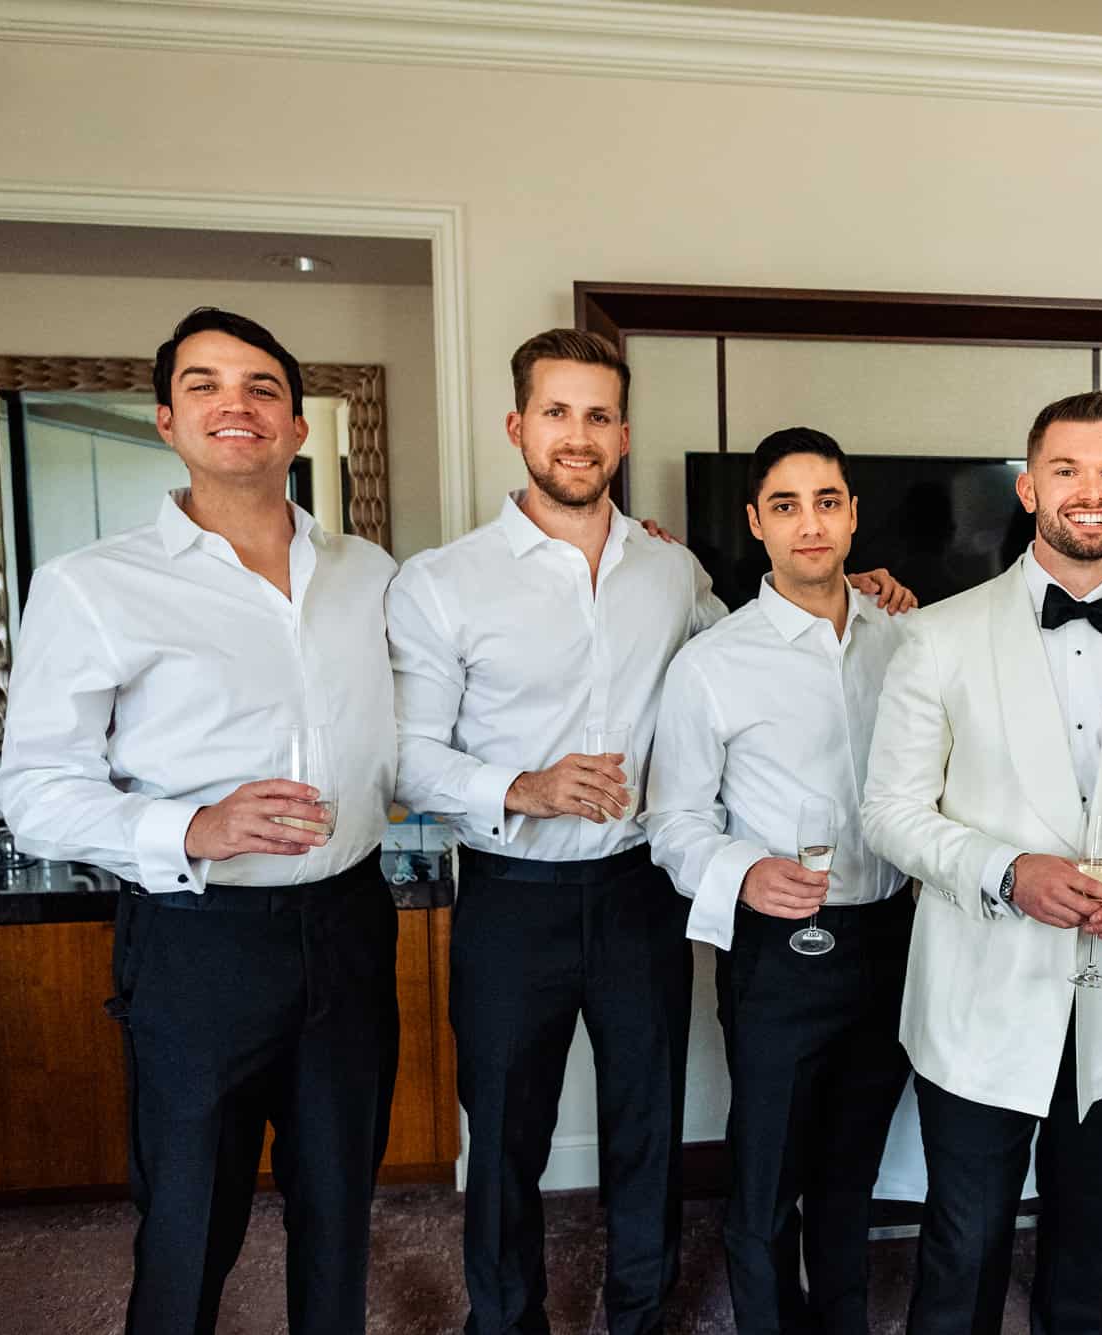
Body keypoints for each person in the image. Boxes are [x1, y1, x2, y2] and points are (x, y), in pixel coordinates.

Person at [0, 307, 401, 1335]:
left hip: (350, 927)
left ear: (296, 424)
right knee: (189, 1219)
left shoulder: (372, 574)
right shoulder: (94, 585)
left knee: (340, 1210)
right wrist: (190, 829)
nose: (237, 404)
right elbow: (32, 790)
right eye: (205, 385)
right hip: (198, 941)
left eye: (263, 386)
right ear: (167, 420)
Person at [862, 390, 1102, 1335]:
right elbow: (889, 812)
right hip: (981, 995)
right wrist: (1006, 871)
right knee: (967, 1245)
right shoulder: (937, 635)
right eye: (1067, 469)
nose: (1090, 490)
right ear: (1028, 489)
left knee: (1092, 1252)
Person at [388, 328, 719, 1335]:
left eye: (598, 415)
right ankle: (505, 1321)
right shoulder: (442, 581)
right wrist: (521, 786)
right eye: (557, 412)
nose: (578, 434)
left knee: (648, 1127)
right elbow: (404, 756)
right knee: (504, 1136)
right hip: (510, 900)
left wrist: (858, 597)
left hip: (640, 892)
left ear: (623, 434)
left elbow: (746, 663)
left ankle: (639, 1317)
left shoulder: (672, 570)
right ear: (517, 424)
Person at [646, 427, 914, 1335]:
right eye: (787, 505)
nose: (811, 524)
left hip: (893, 936)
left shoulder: (906, 640)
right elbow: (672, 820)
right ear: (756, 521)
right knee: (764, 1181)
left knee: (850, 1175)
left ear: (852, 515)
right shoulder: (713, 663)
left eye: (827, 502)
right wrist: (744, 872)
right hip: (779, 950)